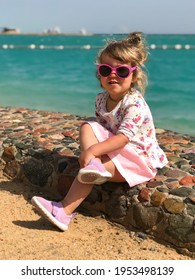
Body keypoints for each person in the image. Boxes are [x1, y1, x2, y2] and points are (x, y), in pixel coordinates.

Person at [31, 32, 168, 231]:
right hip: (119, 152)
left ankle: (64, 212)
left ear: (134, 75)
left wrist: (93, 151)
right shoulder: (100, 100)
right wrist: (93, 155)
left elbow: (122, 139)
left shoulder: (135, 104)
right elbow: (103, 130)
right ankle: (93, 166)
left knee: (88, 170)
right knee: (87, 126)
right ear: (100, 75)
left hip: (137, 161)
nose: (113, 74)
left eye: (121, 71)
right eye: (106, 69)